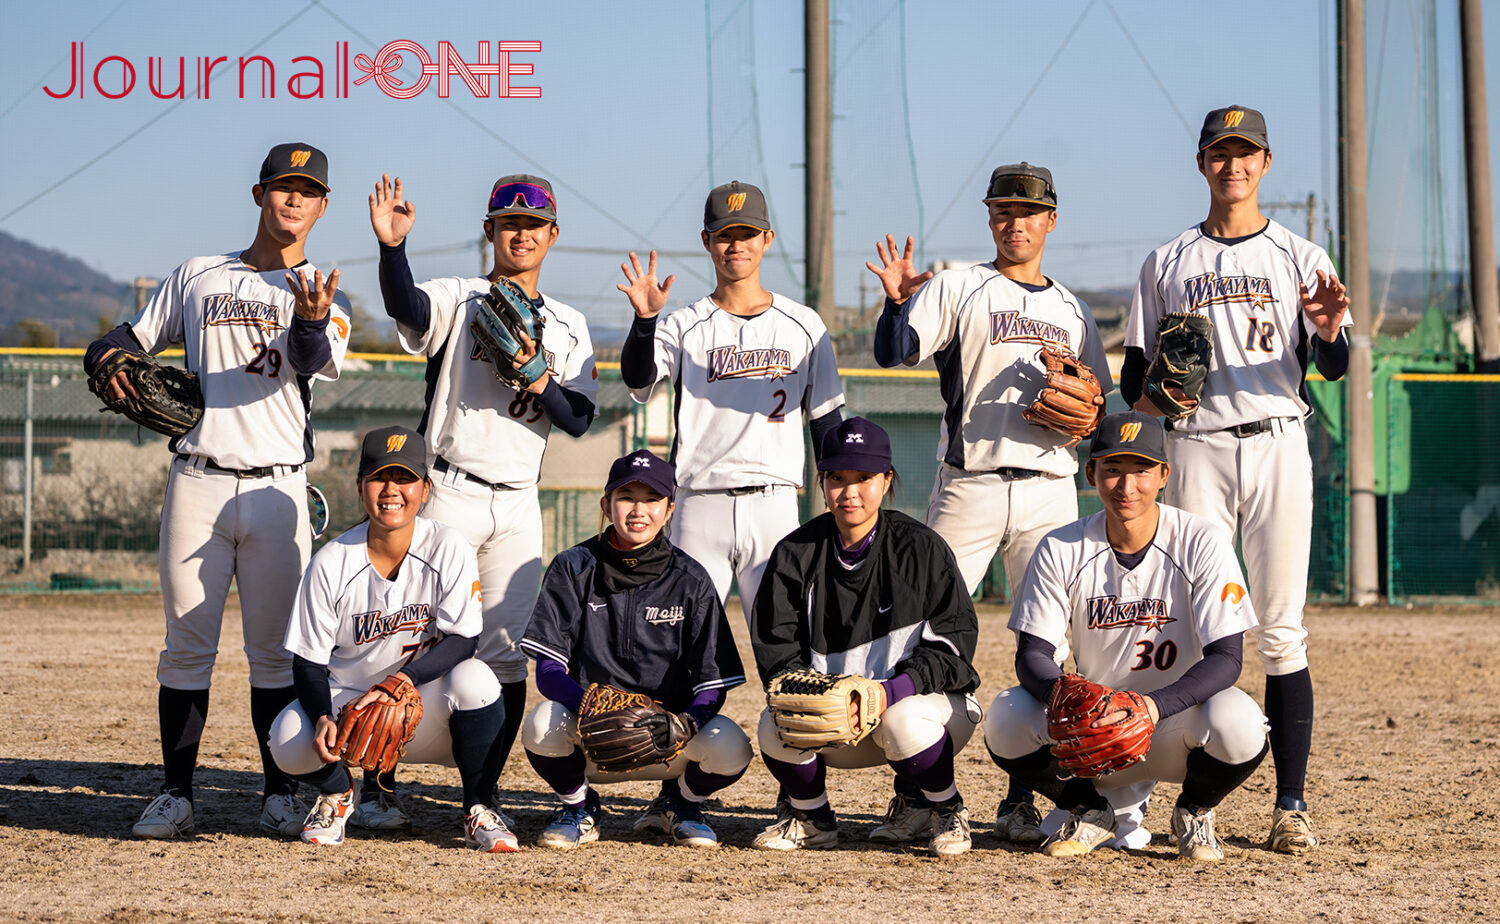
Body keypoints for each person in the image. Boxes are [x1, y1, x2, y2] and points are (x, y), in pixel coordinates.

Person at [84, 142, 352, 839]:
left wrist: (314, 317)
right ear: (259, 194)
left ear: (322, 207)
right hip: (198, 481)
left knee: (273, 654)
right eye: (283, 187)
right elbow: (125, 336)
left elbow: (314, 360)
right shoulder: (200, 275)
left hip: (277, 491)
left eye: (308, 191)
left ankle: (278, 793)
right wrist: (105, 354)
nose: (294, 199)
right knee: (185, 648)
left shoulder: (324, 291)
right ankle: (176, 794)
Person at [1122, 106, 1351, 854]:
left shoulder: (1299, 253)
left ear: (1266, 163)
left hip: (1279, 442)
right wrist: (1163, 391)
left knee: (1283, 630)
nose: (1234, 166)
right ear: (1202, 165)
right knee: (1195, 630)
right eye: (1221, 153)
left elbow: (1336, 363)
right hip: (1196, 450)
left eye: (1245, 153)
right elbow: (1134, 384)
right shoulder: (1167, 261)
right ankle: (1201, 798)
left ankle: (1291, 804)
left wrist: (1324, 331)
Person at [868, 162, 1113, 837]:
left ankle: (1021, 798)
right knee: (924, 635)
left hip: (1051, 489)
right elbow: (896, 354)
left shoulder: (1073, 310)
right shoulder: (959, 285)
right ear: (989, 218)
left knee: (1052, 646)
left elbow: (1098, 403)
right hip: (970, 483)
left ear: (1051, 220)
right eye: (1003, 210)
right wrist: (895, 303)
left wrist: (1089, 416)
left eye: (1028, 211)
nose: (1015, 221)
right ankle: (918, 796)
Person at [368, 172, 597, 823]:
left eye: (533, 224)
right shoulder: (461, 296)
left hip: (519, 503)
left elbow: (578, 416)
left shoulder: (570, 323)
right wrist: (391, 249)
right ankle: (378, 784)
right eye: (507, 222)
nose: (520, 233)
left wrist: (540, 375)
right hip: (448, 489)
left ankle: (481, 794)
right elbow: (407, 308)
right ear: (489, 232)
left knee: (502, 650)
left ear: (552, 235)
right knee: (410, 636)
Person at [982, 411, 1270, 860]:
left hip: (1175, 724)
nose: (1126, 485)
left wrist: (1151, 708)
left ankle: (1194, 810)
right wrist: (1072, 700)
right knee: (1005, 717)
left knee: (1241, 722)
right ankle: (1088, 808)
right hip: (1092, 730)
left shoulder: (1201, 540)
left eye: (1140, 469)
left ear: (1164, 475)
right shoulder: (1061, 547)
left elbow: (1228, 657)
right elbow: (1032, 655)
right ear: (1091, 472)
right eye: (1113, 469)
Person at [267, 425, 513, 851]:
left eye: (405, 478)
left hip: (423, 706)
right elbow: (307, 661)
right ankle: (339, 793)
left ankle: (478, 807)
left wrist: (403, 680)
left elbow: (464, 640)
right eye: (380, 476)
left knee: (478, 680)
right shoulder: (331, 562)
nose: (391, 490)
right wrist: (324, 716)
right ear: (361, 486)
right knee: (287, 737)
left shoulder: (448, 547)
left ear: (425, 487)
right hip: (351, 708)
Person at [749, 417, 981, 857]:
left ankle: (945, 808)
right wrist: (819, 695)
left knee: (903, 720)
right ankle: (812, 817)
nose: (850, 491)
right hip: (838, 719)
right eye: (837, 478)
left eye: (864, 478)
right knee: (774, 722)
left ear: (887, 480)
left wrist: (887, 693)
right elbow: (776, 650)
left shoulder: (921, 548)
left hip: (928, 714)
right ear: (822, 482)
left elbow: (954, 651)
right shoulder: (795, 553)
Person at [617, 180, 845, 628]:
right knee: (683, 638)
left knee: (785, 635)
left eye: (746, 234)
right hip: (700, 502)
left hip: (775, 501)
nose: (735, 244)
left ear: (767, 239)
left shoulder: (803, 324)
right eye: (724, 234)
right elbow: (638, 379)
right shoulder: (684, 324)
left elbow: (826, 422)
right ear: (707, 241)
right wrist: (645, 322)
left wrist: (837, 503)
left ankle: (783, 703)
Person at [517, 450, 751, 850]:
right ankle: (579, 807)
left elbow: (712, 684)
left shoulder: (691, 578)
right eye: (627, 496)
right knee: (541, 725)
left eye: (652, 499)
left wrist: (685, 725)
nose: (639, 510)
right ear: (607, 505)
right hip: (593, 733)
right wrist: (592, 704)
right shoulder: (573, 567)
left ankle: (680, 804)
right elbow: (549, 672)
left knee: (732, 746)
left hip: (666, 739)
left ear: (669, 509)